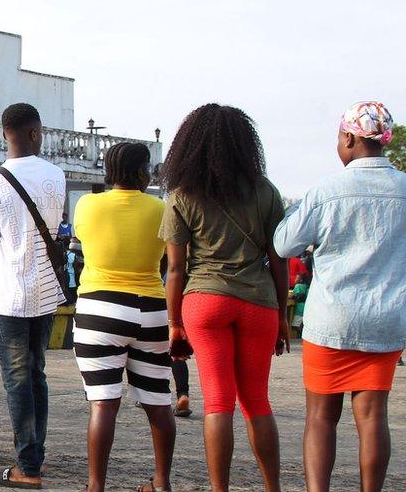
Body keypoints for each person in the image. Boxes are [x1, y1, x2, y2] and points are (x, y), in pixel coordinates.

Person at [273, 101, 405, 492]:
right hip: (386, 318)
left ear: (349, 138)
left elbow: (283, 244)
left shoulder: (329, 190)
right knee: (372, 417)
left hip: (332, 319)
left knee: (320, 417)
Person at [159, 104, 288, 492]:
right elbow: (279, 260)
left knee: (218, 402)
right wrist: (282, 315)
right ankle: (273, 488)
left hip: (204, 301)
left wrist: (174, 323)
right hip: (258, 302)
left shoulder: (182, 196)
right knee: (257, 402)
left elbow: (176, 269)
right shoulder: (265, 191)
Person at [0, 103, 64, 488]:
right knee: (37, 374)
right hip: (45, 292)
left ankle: (28, 466)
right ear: (36, 133)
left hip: (8, 294)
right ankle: (34, 456)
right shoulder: (56, 175)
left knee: (16, 380)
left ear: (3, 133)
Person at [71, 142, 175, 492]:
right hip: (152, 309)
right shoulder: (162, 209)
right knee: (158, 402)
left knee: (104, 402)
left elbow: (85, 241)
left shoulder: (87, 205)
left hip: (100, 309)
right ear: (144, 171)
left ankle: (96, 486)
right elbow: (170, 262)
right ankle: (161, 482)